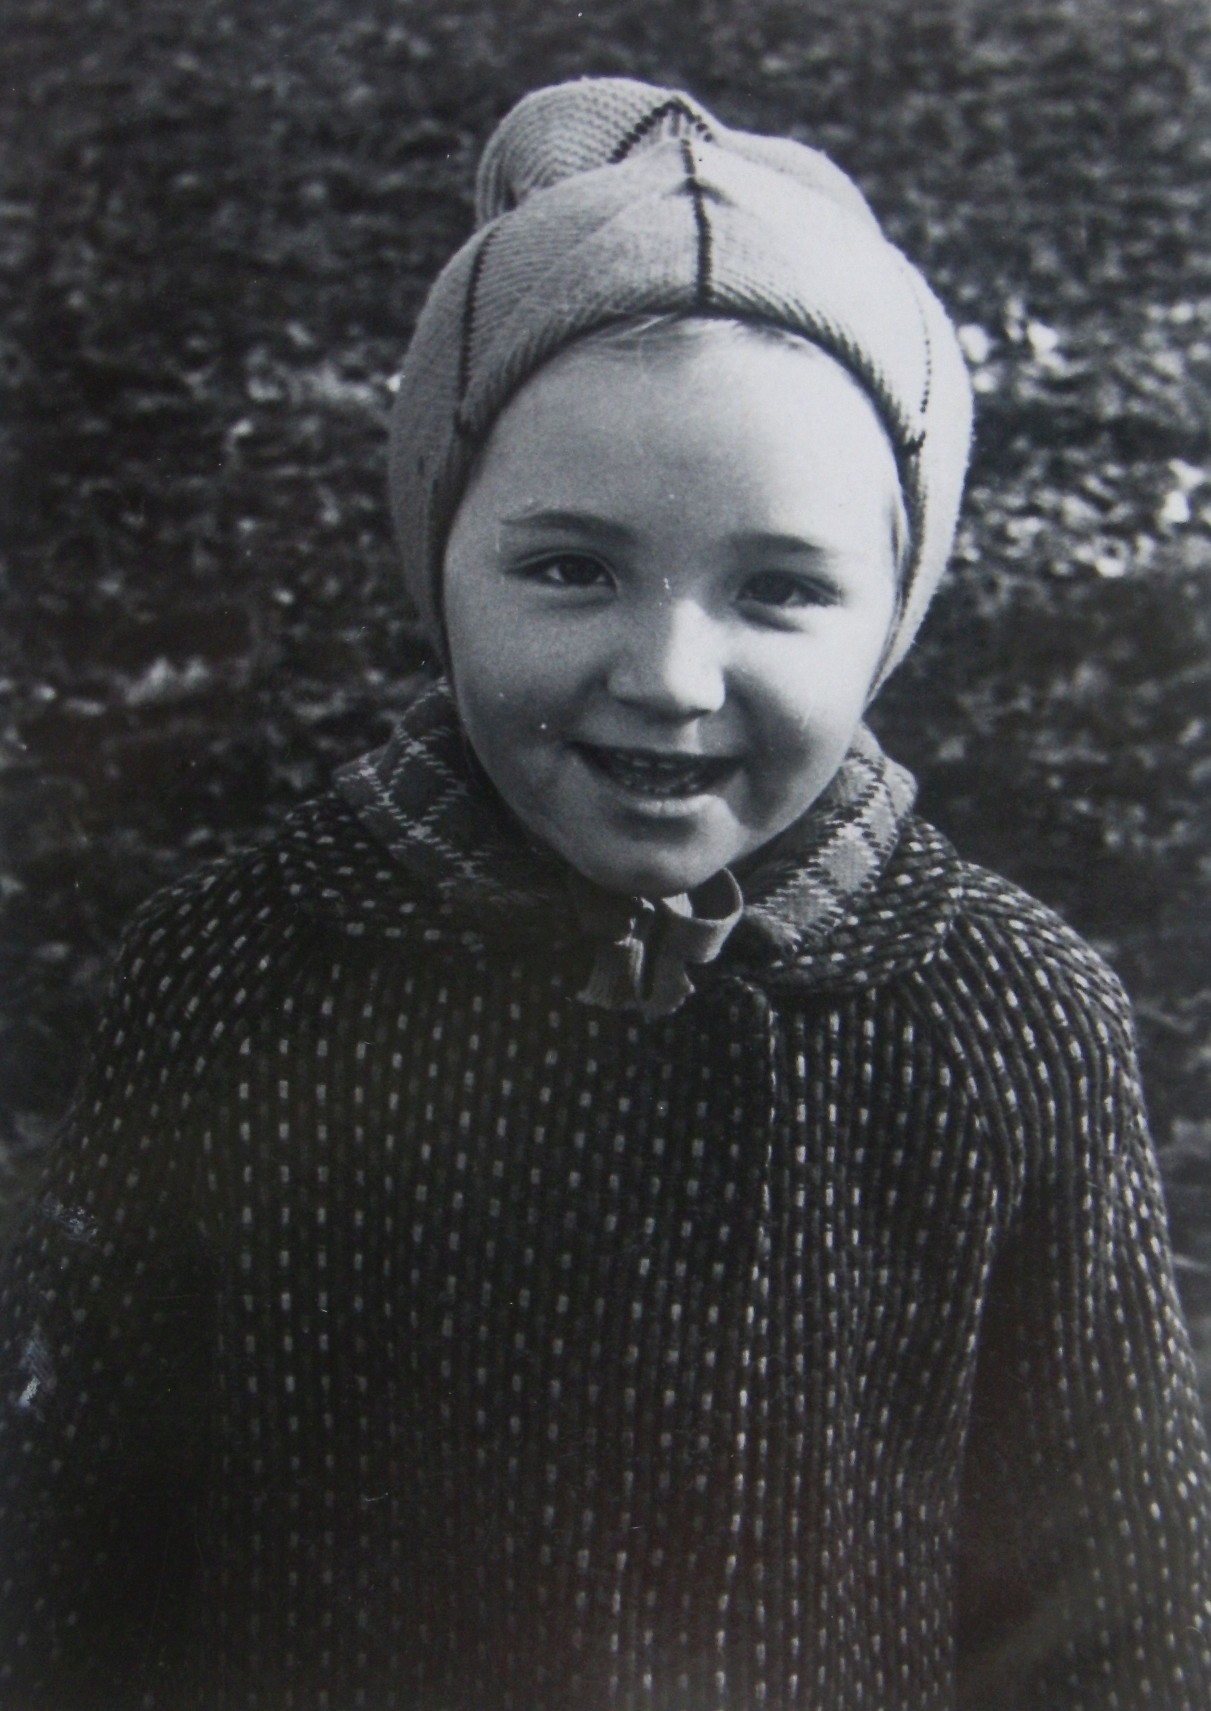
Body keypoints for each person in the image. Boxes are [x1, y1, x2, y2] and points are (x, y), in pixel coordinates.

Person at [1, 74, 1208, 1711]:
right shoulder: (241, 977)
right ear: (442, 559)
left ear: (893, 613)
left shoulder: (1011, 1022)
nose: (669, 675)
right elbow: (73, 1547)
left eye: (779, 588)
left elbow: (1115, 1609)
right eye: (570, 568)